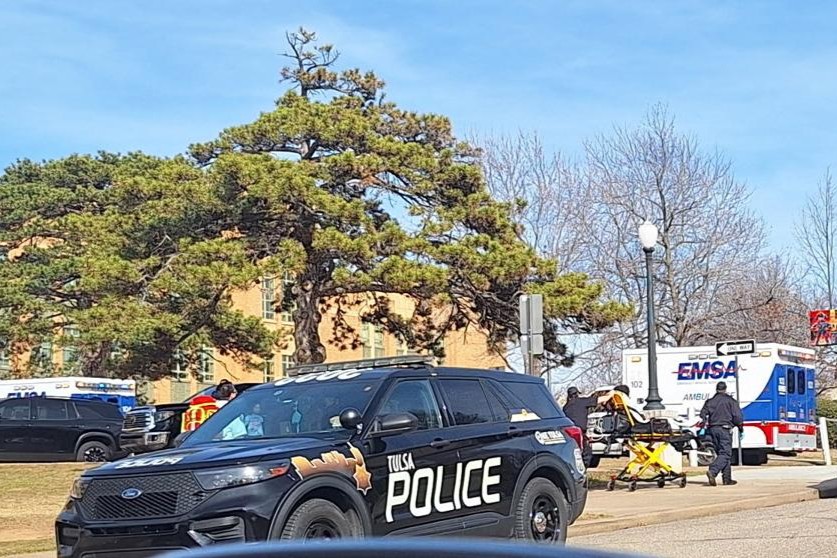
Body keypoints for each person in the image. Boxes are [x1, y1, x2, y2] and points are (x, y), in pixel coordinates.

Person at [700, 381, 744, 486]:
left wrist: (704, 424)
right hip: (725, 429)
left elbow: (702, 414)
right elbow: (737, 416)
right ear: (725, 389)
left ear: (717, 389)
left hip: (713, 430)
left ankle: (727, 479)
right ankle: (713, 471)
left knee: (722, 454)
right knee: (725, 453)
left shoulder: (710, 401)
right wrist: (740, 428)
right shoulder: (731, 401)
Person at [562, 386, 600, 468]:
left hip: (568, 434)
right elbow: (599, 400)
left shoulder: (565, 407)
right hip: (579, 433)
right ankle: (583, 470)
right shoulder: (581, 402)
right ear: (577, 394)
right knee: (586, 453)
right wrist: (612, 394)